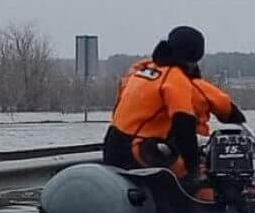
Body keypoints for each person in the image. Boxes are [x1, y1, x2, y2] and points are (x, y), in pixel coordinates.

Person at [103, 26, 245, 189]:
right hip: (140, 150)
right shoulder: (175, 78)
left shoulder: (141, 68)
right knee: (190, 176)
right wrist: (193, 171)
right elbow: (183, 125)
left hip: (112, 144)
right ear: (194, 57)